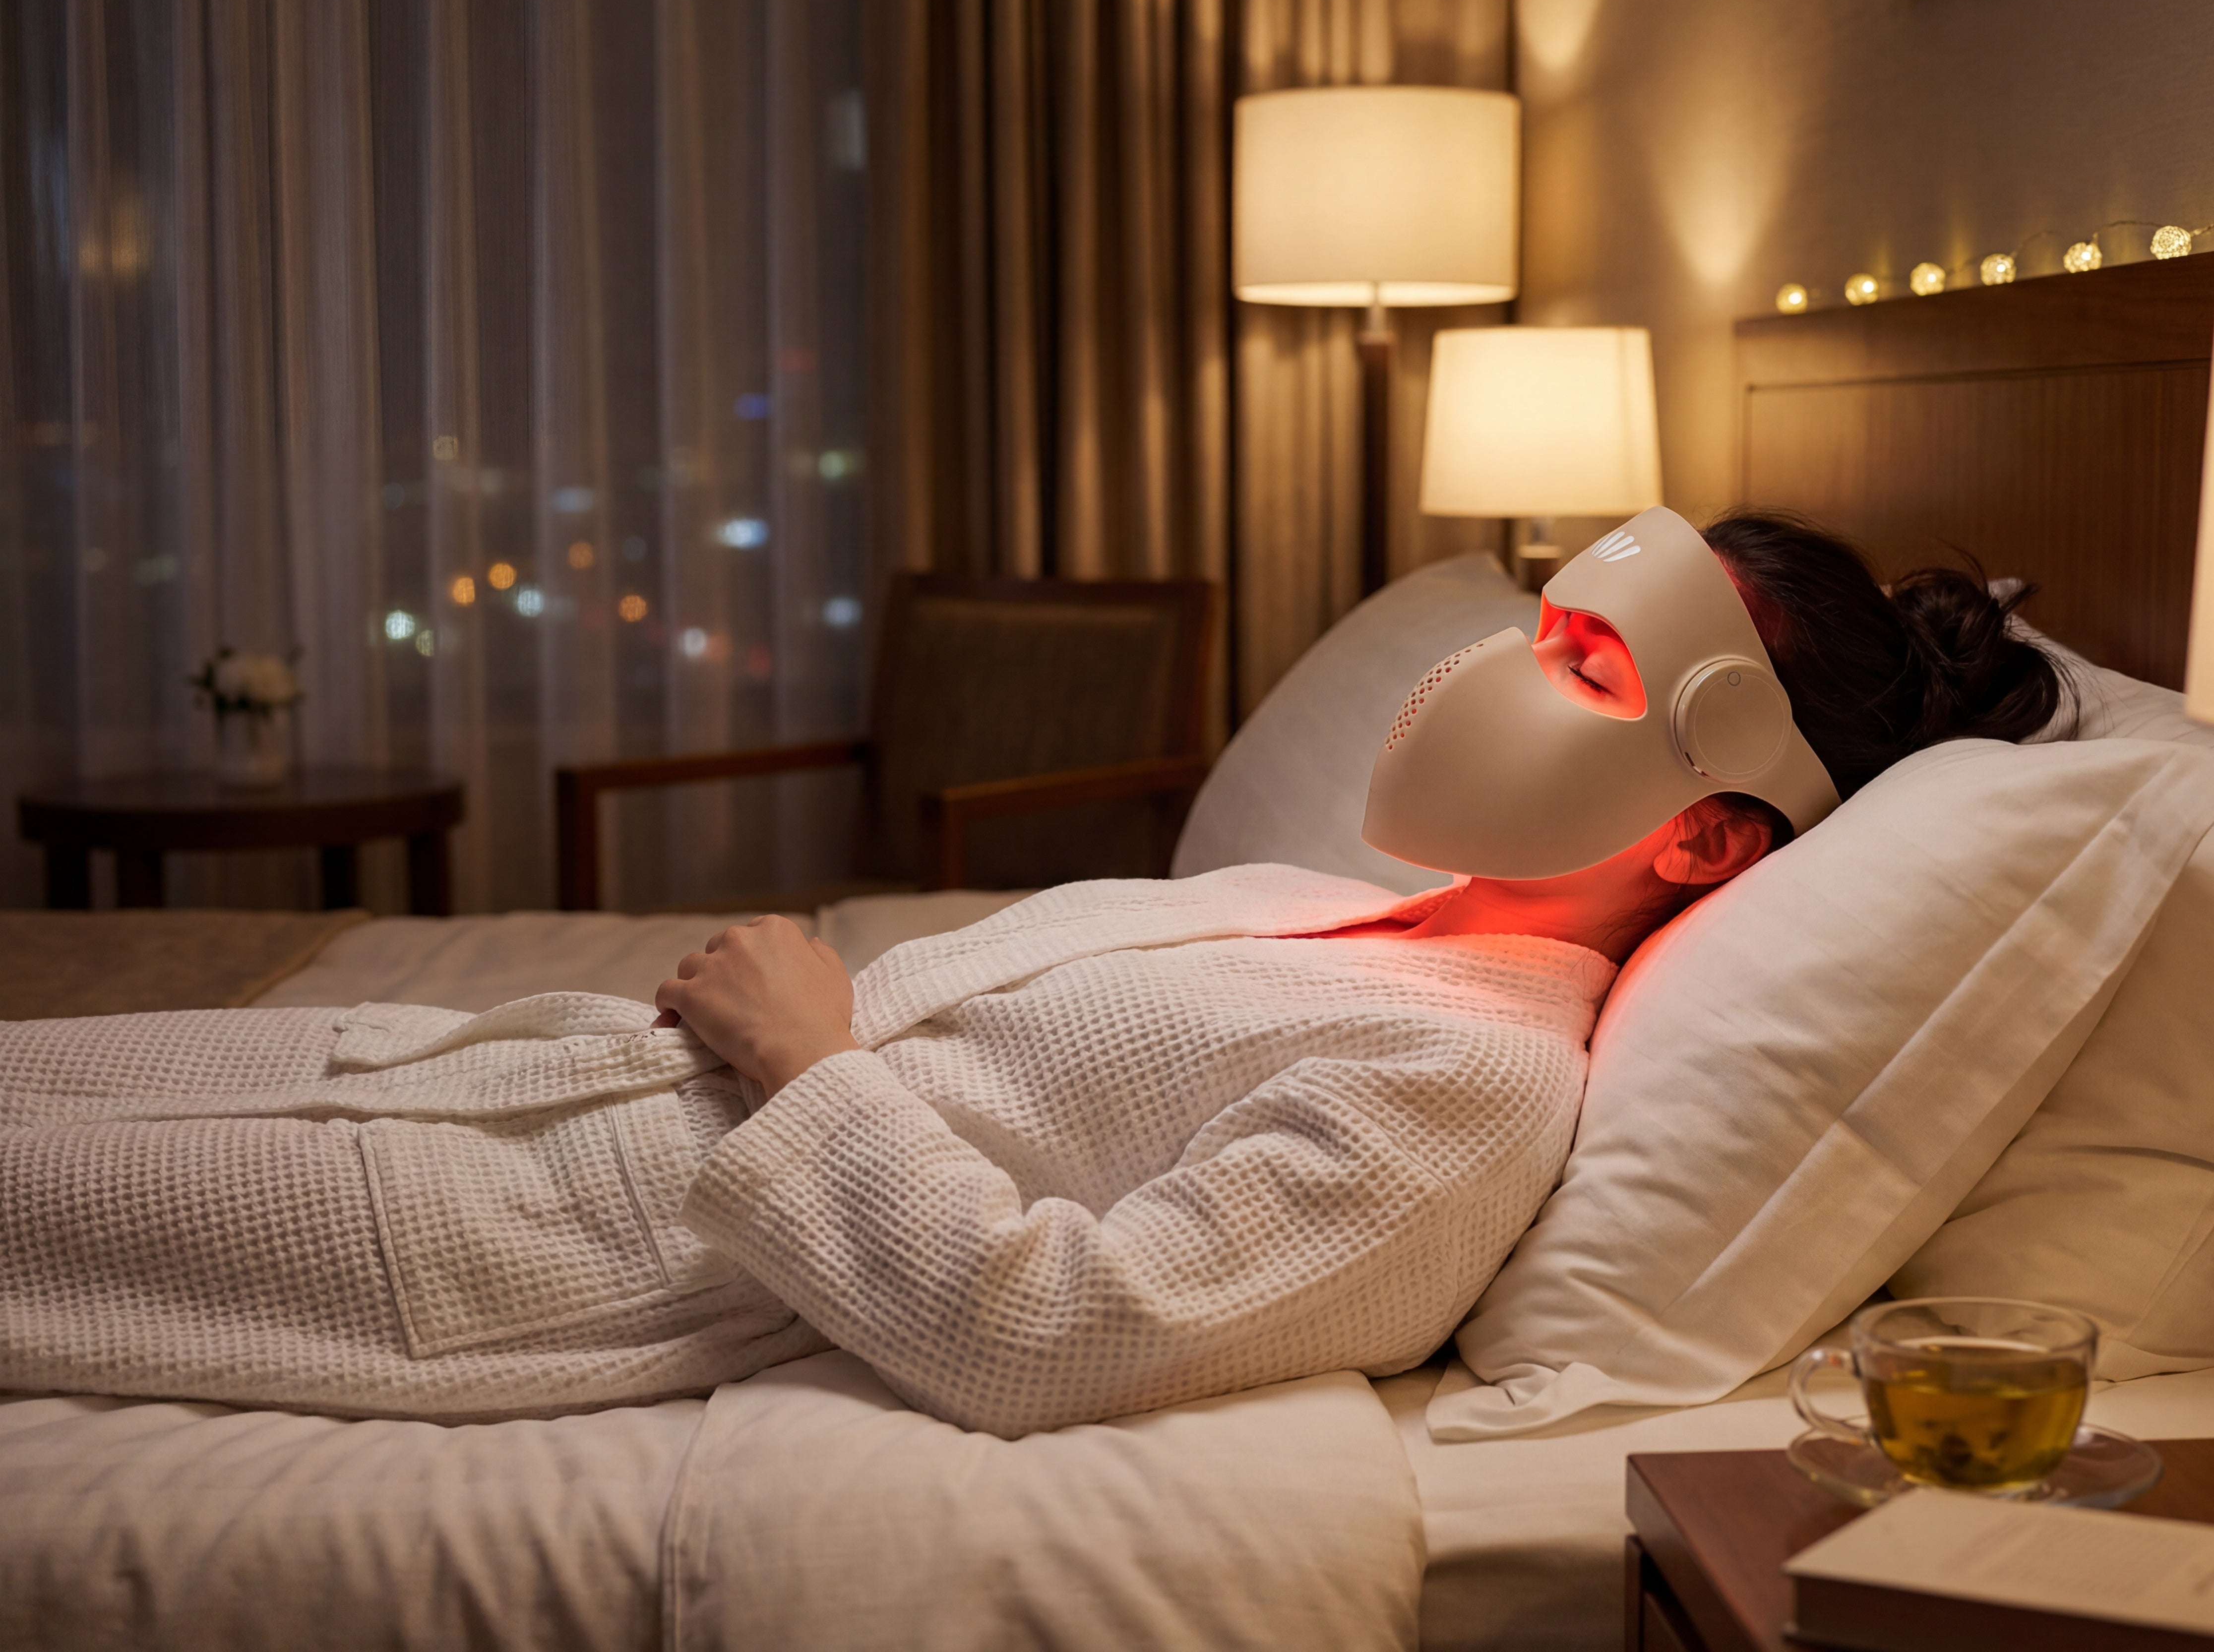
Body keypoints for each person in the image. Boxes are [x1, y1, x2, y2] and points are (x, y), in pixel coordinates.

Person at [0, 509, 2059, 1436]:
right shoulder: (1327, 907)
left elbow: (1063, 1337)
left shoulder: (1477, 1086)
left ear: (1705, 831)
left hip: (515, 1234)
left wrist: (809, 1058)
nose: (1504, 674)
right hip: (477, 1077)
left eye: (1582, 665)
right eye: (1539, 627)